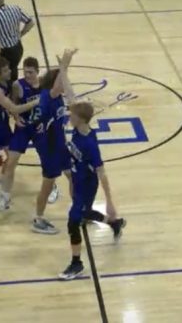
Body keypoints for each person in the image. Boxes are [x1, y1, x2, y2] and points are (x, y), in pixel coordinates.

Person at [59, 102, 127, 280]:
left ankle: (76, 263)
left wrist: (109, 202)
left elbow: (102, 173)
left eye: (72, 116)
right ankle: (114, 224)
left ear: (81, 119)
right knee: (85, 212)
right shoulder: (77, 130)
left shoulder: (89, 144)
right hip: (78, 181)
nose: (69, 117)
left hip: (87, 186)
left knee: (73, 221)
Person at [0, 57, 39, 202]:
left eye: (8, 68)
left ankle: (2, 178)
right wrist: (37, 101)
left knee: (11, 154)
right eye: (5, 70)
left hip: (1, 121)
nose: (10, 71)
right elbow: (14, 108)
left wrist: (15, 118)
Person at [31, 48, 78, 235]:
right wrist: (65, 63)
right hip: (49, 146)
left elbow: (63, 82)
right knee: (47, 184)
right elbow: (61, 79)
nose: (64, 84)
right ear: (53, 84)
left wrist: (64, 66)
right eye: (60, 81)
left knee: (73, 177)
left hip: (59, 143)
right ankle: (38, 218)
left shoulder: (57, 97)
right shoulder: (47, 97)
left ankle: (78, 209)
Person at [0, 56, 43, 211]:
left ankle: (52, 187)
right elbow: (13, 104)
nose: (27, 75)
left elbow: (49, 106)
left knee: (47, 160)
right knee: (11, 162)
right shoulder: (17, 85)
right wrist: (15, 116)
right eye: (25, 71)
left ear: (37, 71)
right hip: (23, 128)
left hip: (39, 128)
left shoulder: (44, 85)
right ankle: (6, 198)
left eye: (31, 72)